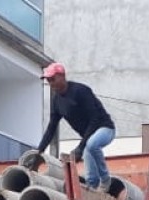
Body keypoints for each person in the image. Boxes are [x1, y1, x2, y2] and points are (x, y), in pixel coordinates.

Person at [37, 62, 116, 191]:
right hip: (88, 138)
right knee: (90, 175)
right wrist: (38, 152)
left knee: (91, 145)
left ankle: (106, 180)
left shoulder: (80, 91)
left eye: (53, 79)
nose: (51, 83)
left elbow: (95, 118)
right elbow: (51, 128)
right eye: (48, 81)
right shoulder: (57, 101)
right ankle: (93, 190)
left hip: (105, 129)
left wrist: (80, 147)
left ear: (62, 76)